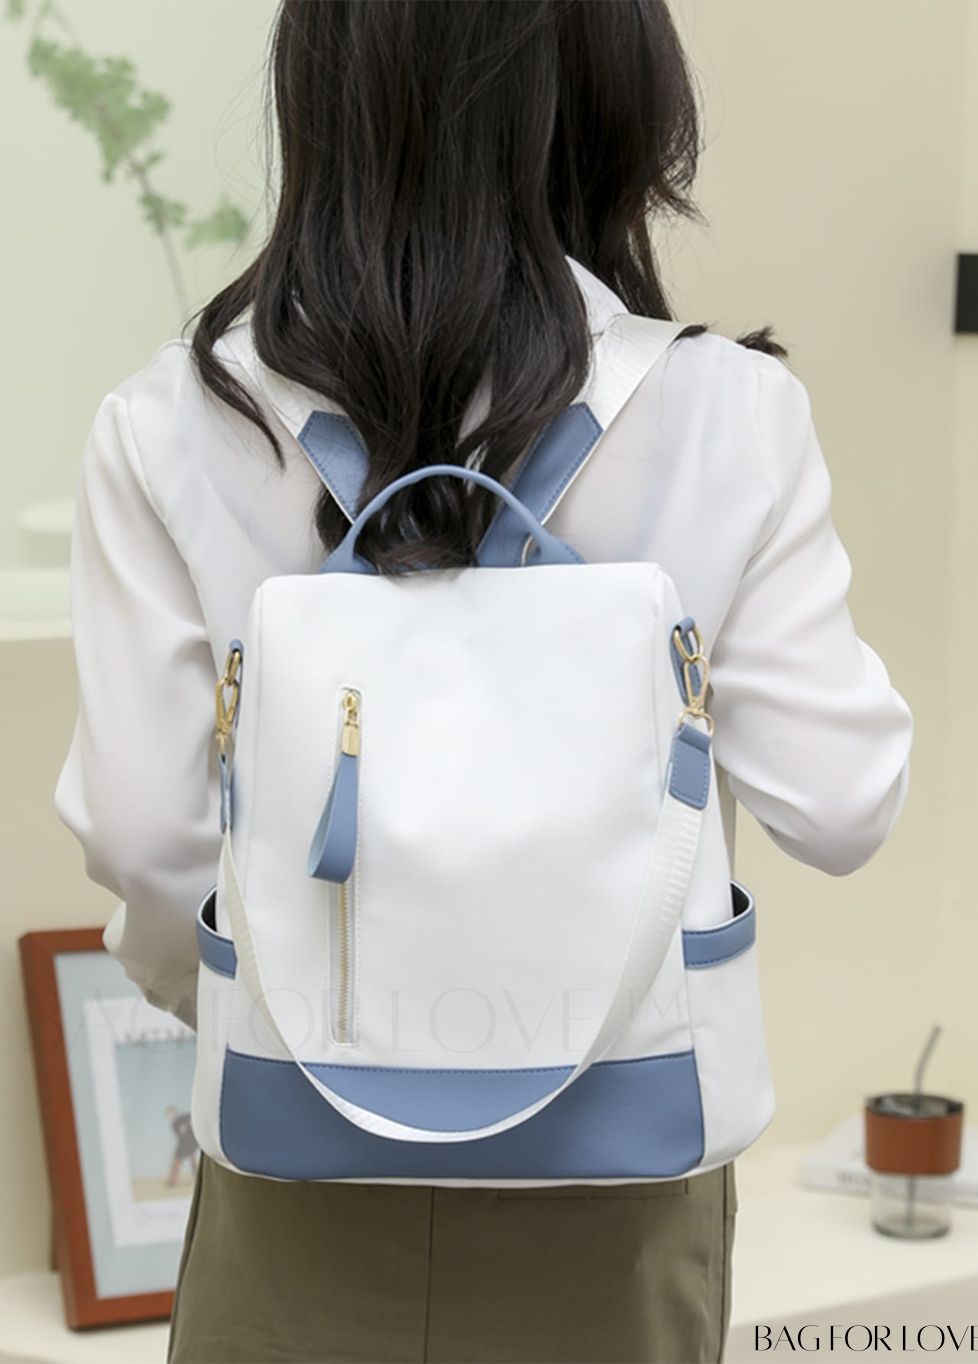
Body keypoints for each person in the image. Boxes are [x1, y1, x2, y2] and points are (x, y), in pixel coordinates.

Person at [53, 3, 913, 1361]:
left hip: (294, 1171)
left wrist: (285, 1005)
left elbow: (145, 841)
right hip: (624, 1188)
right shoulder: (726, 412)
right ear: (616, 88)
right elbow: (844, 805)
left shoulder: (169, 423)